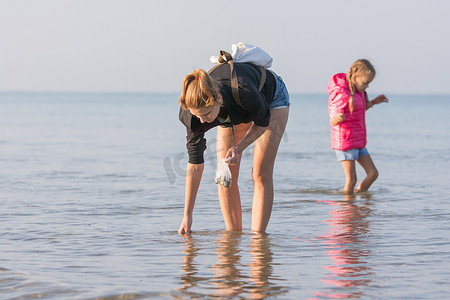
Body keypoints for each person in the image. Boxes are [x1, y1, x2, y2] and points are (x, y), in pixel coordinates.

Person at [178, 60, 289, 235]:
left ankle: (258, 241)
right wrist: (187, 215)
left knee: (260, 173)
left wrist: (239, 147)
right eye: (197, 115)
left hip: (270, 98)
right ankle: (233, 240)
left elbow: (262, 123)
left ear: (218, 99)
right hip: (235, 110)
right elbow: (194, 165)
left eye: (206, 114)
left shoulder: (243, 91)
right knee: (225, 175)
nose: (202, 121)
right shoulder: (193, 114)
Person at [327, 59, 388, 194]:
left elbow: (356, 110)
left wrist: (374, 102)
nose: (367, 86)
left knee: (373, 174)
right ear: (355, 77)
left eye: (369, 84)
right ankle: (348, 211)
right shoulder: (341, 93)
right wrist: (337, 118)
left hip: (358, 141)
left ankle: (358, 199)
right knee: (351, 180)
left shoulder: (358, 91)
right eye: (365, 83)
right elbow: (333, 118)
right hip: (346, 141)